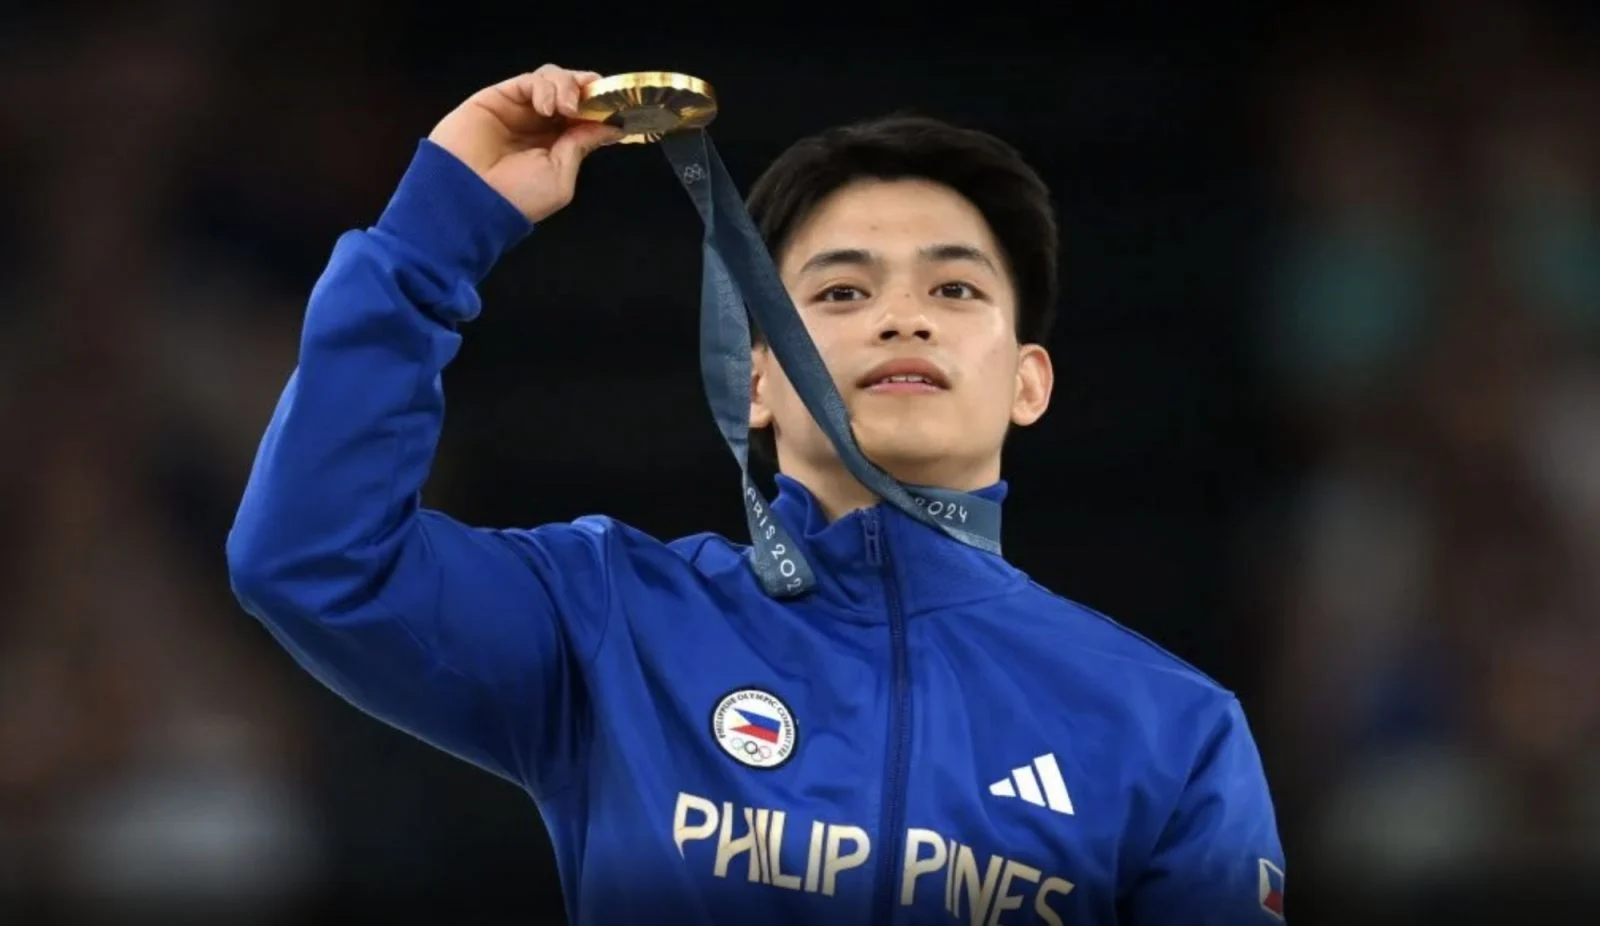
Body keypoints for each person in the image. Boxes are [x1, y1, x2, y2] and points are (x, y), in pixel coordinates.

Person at [226, 64, 1287, 926]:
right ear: (755, 379)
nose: (901, 317)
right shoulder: (611, 622)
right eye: (840, 290)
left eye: (955, 287)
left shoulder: (1171, 729)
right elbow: (316, 558)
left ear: (1028, 381)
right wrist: (432, 234)